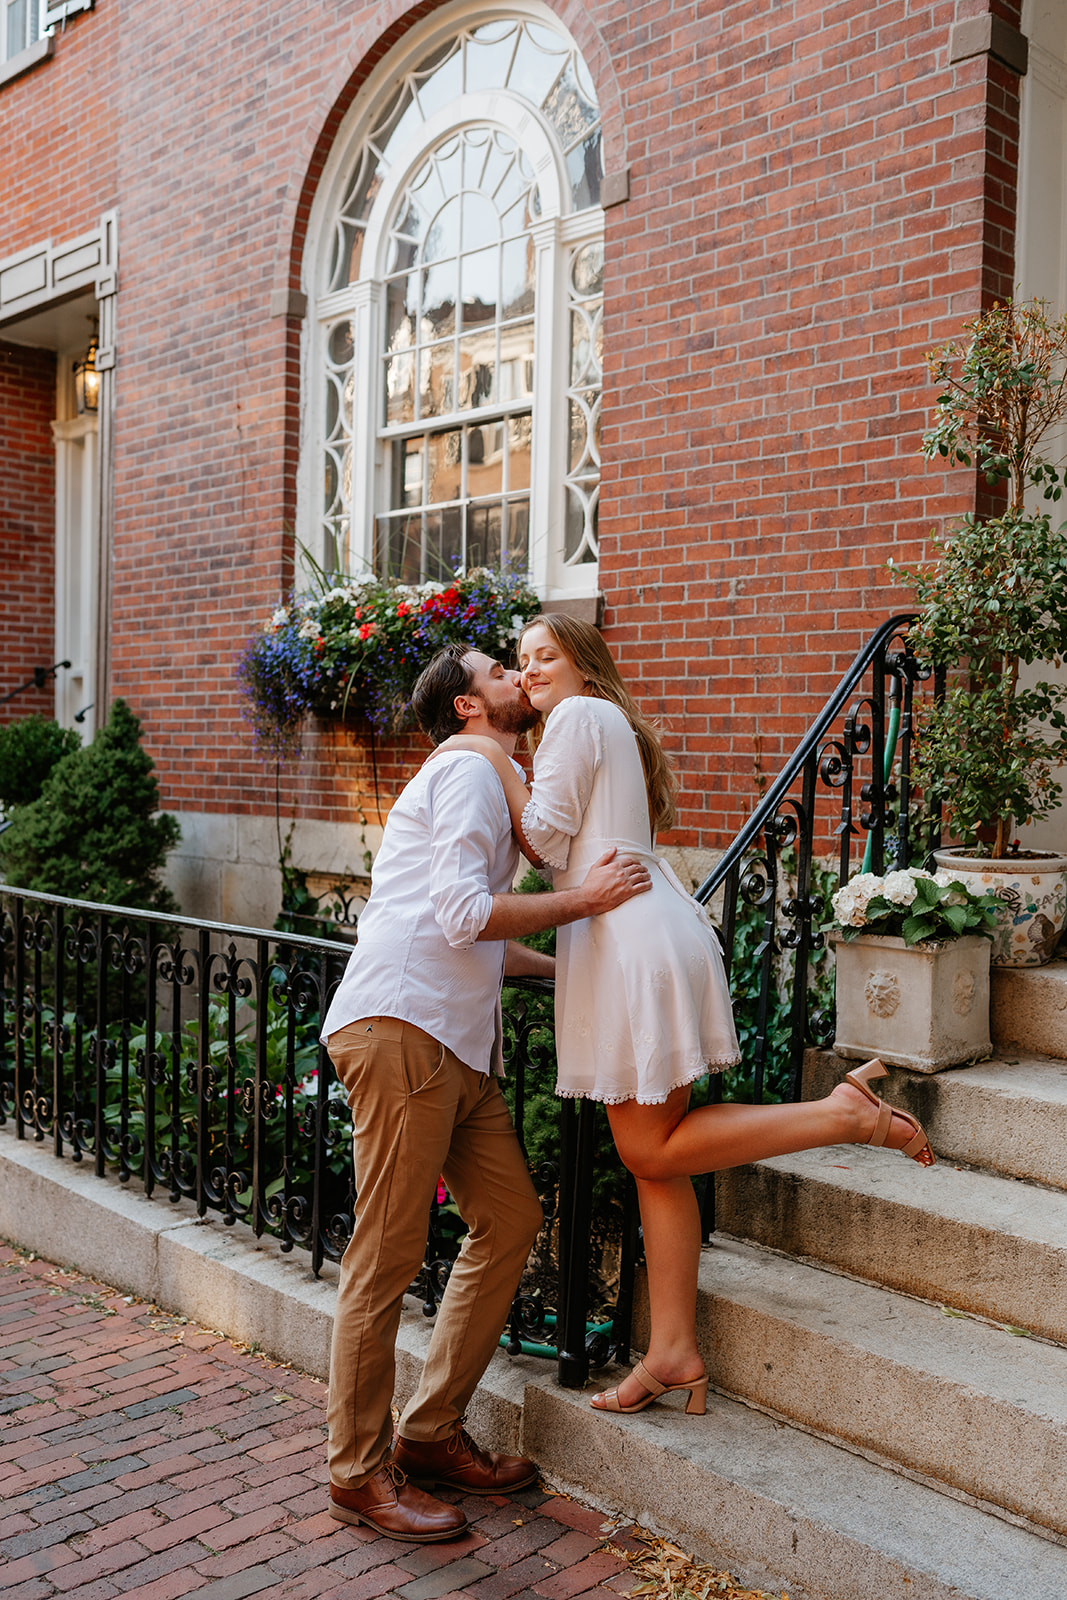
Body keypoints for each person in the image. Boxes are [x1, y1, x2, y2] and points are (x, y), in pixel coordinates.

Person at [433, 613, 935, 1419]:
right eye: (520, 662)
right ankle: (673, 1353)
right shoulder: (601, 722)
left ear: (583, 666)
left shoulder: (573, 717)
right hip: (631, 931)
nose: (528, 673)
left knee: (648, 1144)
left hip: (627, 939)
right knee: (653, 1162)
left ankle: (844, 1116)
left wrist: (487, 753)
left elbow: (539, 837)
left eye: (544, 657)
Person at [320, 639, 653, 1542]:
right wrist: (587, 905)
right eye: (498, 672)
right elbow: (465, 915)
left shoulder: (489, 776)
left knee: (505, 1220)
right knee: (384, 1258)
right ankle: (357, 1471)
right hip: (402, 1031)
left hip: (455, 1046)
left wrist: (583, 968)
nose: (518, 677)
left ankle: (428, 1436)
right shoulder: (468, 773)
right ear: (469, 706)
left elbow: (484, 937)